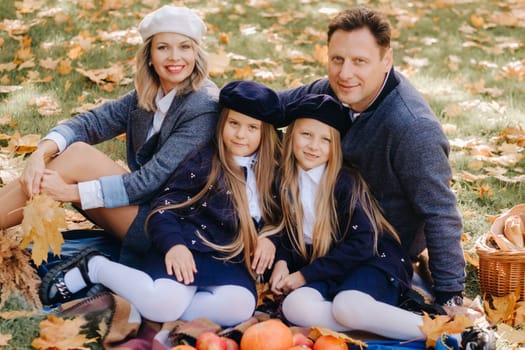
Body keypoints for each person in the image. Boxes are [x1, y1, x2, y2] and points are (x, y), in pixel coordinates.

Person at [39, 80, 285, 326]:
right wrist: (174, 245)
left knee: (240, 308)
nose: (241, 134)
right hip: (185, 246)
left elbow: (279, 220)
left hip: (227, 260)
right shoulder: (204, 163)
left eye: (252, 127)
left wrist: (269, 239)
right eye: (234, 123)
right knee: (163, 307)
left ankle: (138, 294)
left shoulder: (270, 173)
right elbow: (162, 209)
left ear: (265, 133)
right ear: (222, 123)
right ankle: (95, 267)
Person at [270, 94, 495, 349]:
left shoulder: (344, 183)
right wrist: (282, 261)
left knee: (347, 305)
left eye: (325, 140)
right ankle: (377, 319)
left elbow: (363, 244)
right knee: (294, 307)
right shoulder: (284, 181)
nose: (314, 146)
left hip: (372, 260)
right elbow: (285, 231)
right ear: (290, 136)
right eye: (306, 135)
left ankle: (453, 335)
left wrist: (304, 275)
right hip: (330, 266)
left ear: (337, 146)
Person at [0, 5, 219, 267]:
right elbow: (91, 122)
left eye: (185, 47)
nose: (175, 57)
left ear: (196, 53)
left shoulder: (203, 105)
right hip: (143, 209)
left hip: (171, 228)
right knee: (57, 156)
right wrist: (40, 152)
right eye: (163, 47)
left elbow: (151, 180)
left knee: (78, 156)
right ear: (149, 55)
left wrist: (72, 192)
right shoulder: (147, 96)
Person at [277, 7, 465, 307]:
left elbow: (440, 212)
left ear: (386, 60)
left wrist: (450, 296)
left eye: (359, 61)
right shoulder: (330, 93)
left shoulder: (412, 128)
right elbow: (269, 107)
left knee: (347, 308)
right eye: (337, 59)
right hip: (320, 241)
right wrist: (211, 104)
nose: (344, 73)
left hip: (379, 251)